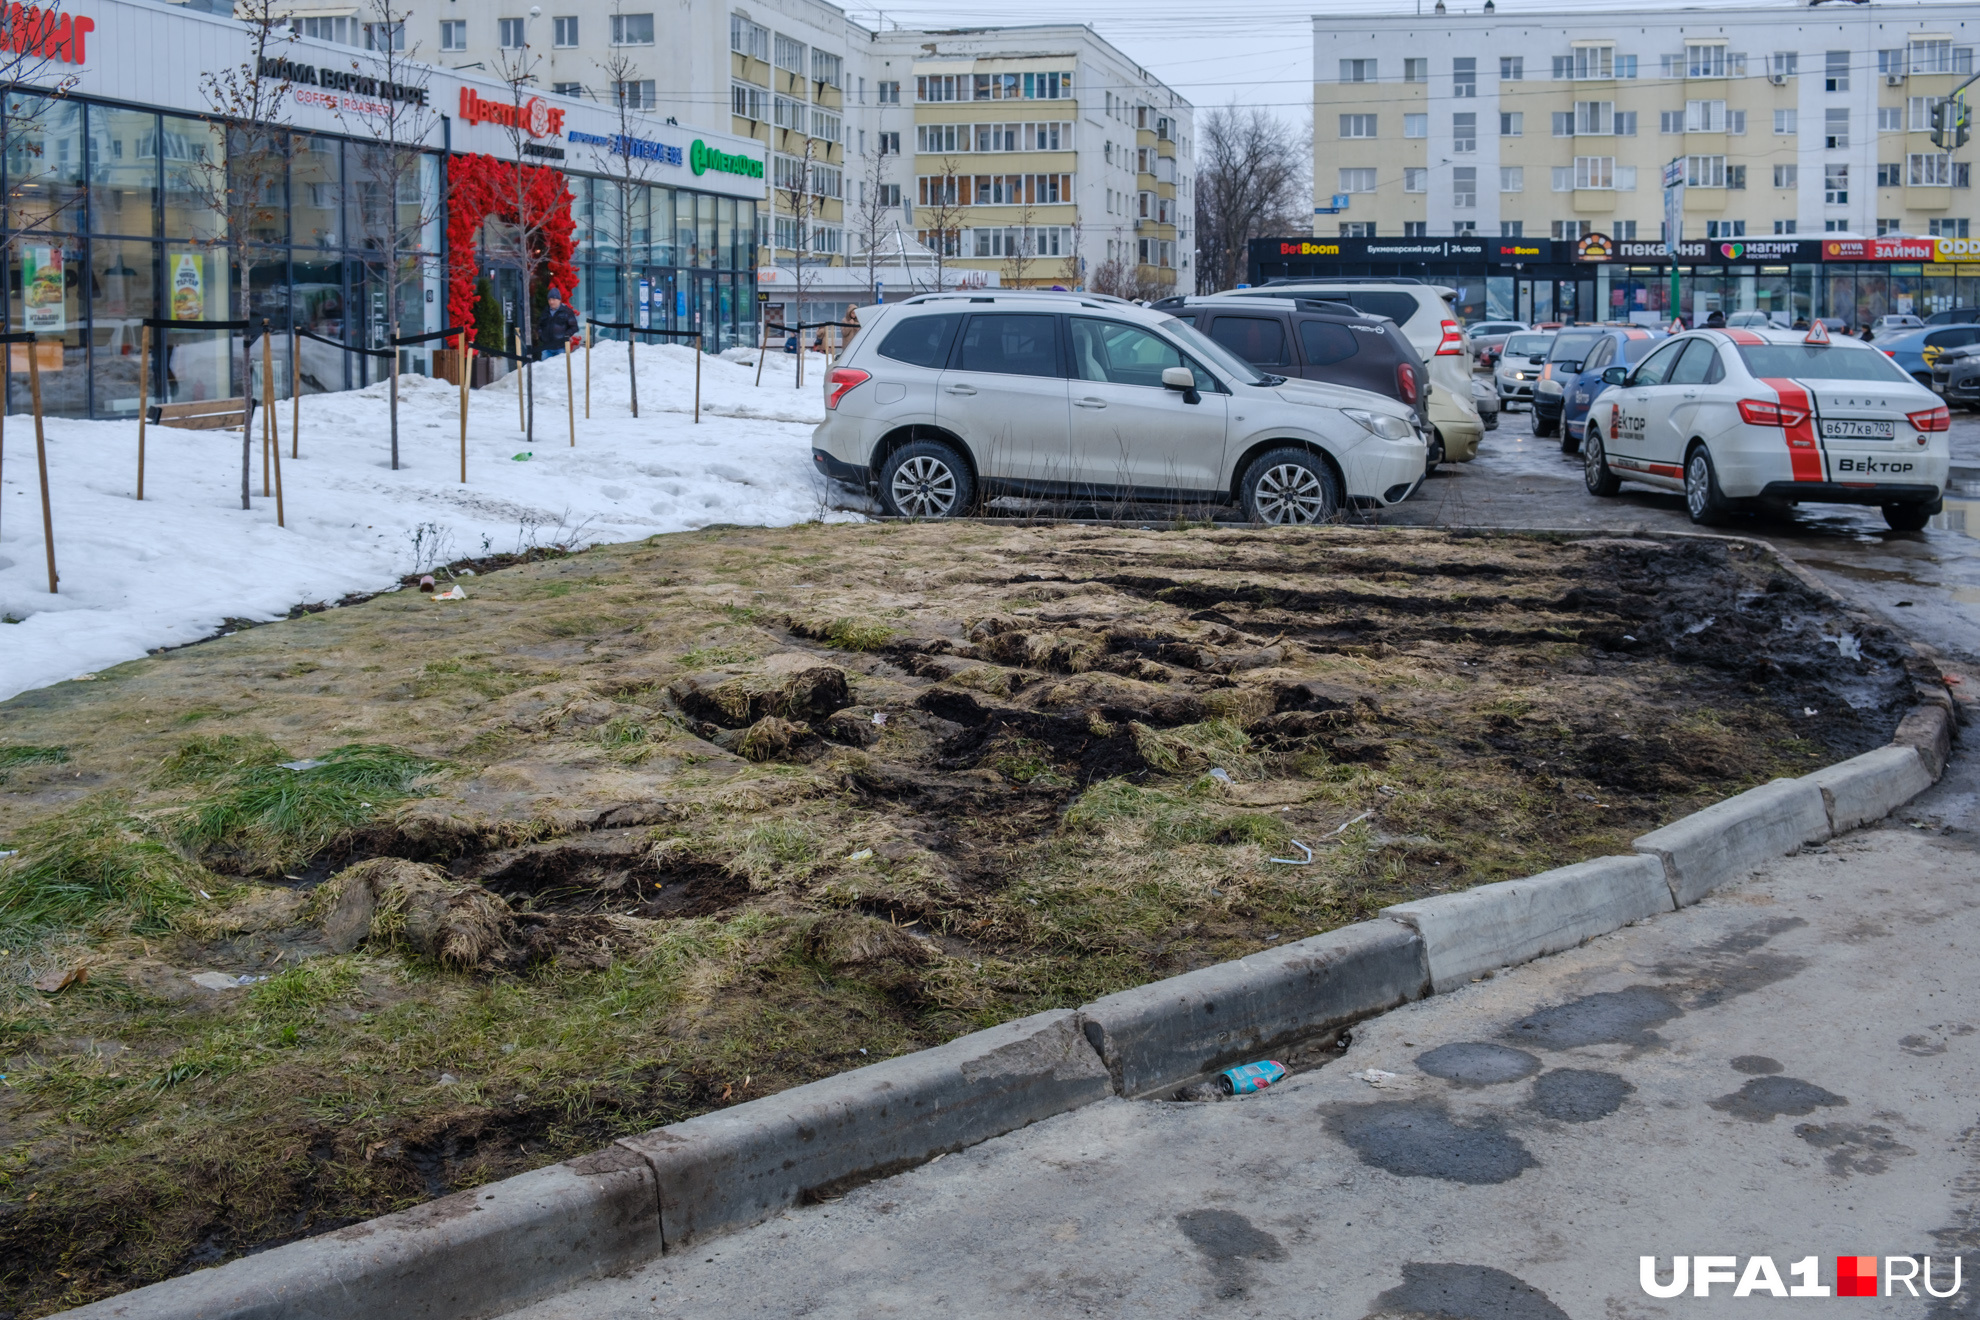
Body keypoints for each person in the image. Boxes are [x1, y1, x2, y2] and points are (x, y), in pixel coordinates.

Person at [537, 289, 580, 358]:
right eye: (549, 300)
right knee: (545, 368)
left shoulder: (567, 311)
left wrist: (565, 336)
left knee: (560, 368)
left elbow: (574, 327)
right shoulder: (545, 311)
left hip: (560, 348)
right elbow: (540, 325)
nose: (551, 302)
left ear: (559, 300)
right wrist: (541, 335)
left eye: (553, 299)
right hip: (546, 347)